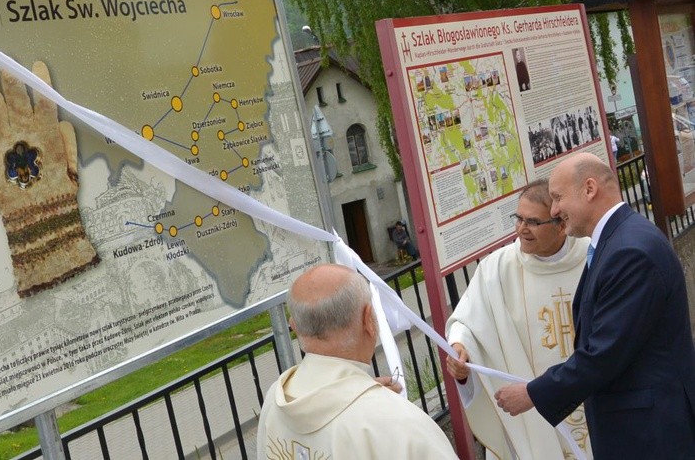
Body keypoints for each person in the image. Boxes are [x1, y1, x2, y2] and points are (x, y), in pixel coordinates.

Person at [494, 153, 695, 459]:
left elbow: (604, 353)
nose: (555, 209)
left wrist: (532, 393)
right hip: (640, 425)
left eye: (558, 197)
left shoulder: (630, 251)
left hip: (649, 432)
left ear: (589, 189)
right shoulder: (620, 239)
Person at [445, 179, 592, 459]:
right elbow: (467, 322)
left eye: (533, 222)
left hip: (594, 404)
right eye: (518, 218)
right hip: (530, 420)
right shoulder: (497, 268)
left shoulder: (592, 258)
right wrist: (462, 350)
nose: (522, 229)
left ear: (562, 225)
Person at [256, 264, 458, 459]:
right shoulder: (403, 424)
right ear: (368, 320)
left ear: (295, 327)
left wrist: (363, 395)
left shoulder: (274, 400)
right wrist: (372, 403)